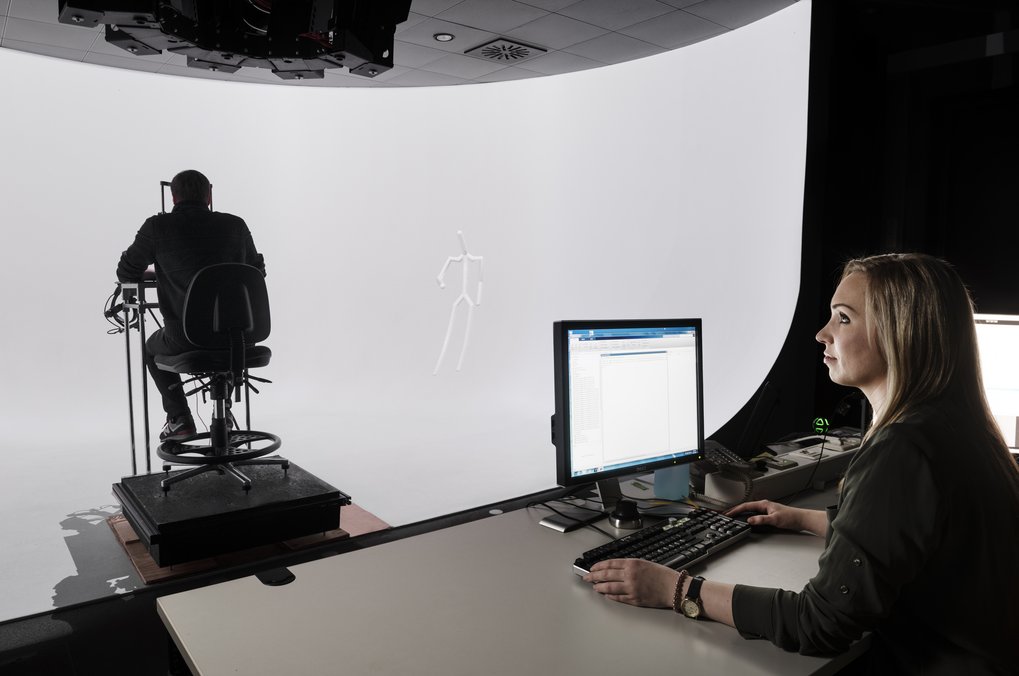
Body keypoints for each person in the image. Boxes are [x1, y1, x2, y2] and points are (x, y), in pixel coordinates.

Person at [583, 253, 1019, 674]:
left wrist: (676, 589)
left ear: (901, 333)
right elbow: (931, 539)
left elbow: (820, 624)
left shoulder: (902, 449)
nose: (822, 334)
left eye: (843, 318)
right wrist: (810, 520)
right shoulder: (960, 427)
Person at [116, 170, 265, 441]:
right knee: (227, 345)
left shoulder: (157, 227)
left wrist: (157, 273)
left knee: (150, 349)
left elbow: (126, 271)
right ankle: (225, 410)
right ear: (209, 194)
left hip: (184, 338)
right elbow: (256, 272)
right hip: (240, 336)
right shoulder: (236, 225)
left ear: (173, 196)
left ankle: (179, 419)